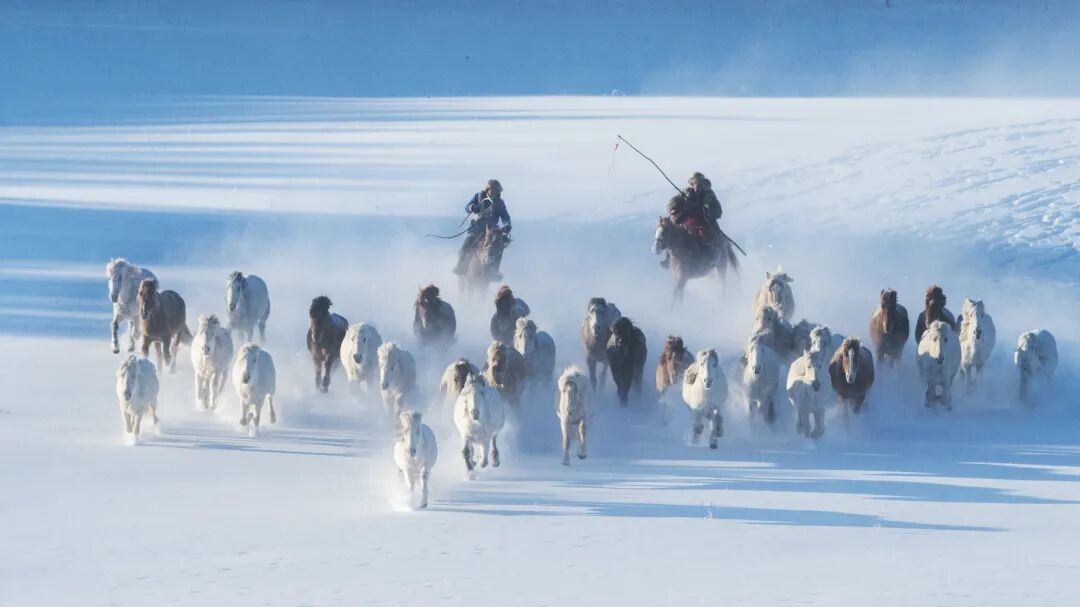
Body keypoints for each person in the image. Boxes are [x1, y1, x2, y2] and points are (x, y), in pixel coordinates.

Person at [660, 172, 723, 268]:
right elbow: (673, 204)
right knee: (672, 232)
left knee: (707, 236)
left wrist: (708, 211)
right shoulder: (685, 193)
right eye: (695, 183)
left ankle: (710, 257)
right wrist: (674, 207)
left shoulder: (709, 194)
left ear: (704, 184)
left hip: (704, 222)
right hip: (686, 221)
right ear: (692, 184)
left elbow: (718, 211)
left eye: (699, 183)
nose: (697, 186)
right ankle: (669, 258)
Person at [454, 179, 512, 275]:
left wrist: (507, 225)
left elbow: (505, 216)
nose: (496, 193)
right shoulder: (478, 196)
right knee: (465, 246)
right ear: (488, 189)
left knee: (499, 246)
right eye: (494, 190)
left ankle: (494, 271)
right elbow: (467, 207)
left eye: (497, 191)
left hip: (491, 230)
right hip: (475, 228)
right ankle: (460, 266)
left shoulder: (500, 203)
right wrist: (472, 207)